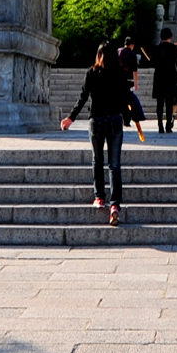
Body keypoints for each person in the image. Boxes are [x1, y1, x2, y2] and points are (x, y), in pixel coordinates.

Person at [61, 43, 130, 225]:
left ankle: (99, 197)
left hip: (97, 120)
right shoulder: (121, 73)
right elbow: (125, 99)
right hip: (115, 120)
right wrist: (129, 119)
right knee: (114, 165)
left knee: (97, 161)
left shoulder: (92, 73)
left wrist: (70, 118)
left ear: (99, 55)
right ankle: (115, 205)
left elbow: (83, 97)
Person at [152, 27, 177, 133]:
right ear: (170, 37)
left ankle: (160, 125)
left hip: (159, 76)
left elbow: (152, 62)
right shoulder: (174, 48)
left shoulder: (157, 48)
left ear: (160, 37)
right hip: (170, 77)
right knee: (169, 102)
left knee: (159, 102)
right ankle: (168, 125)